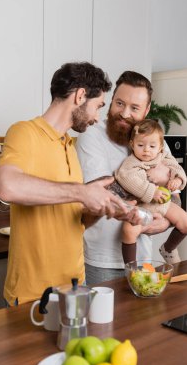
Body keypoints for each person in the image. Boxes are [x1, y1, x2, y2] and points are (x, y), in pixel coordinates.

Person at [0, 62, 140, 306]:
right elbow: (7, 187)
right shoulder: (24, 132)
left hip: (75, 286)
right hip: (34, 293)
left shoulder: (70, 146)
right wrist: (82, 192)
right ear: (80, 95)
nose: (97, 117)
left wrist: (102, 208)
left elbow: (75, 220)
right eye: (97, 106)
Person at [76, 71, 178, 285]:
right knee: (103, 319)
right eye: (119, 103)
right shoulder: (92, 135)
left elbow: (175, 198)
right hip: (102, 261)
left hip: (143, 256)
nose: (124, 113)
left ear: (147, 110)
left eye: (135, 108)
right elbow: (104, 196)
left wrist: (166, 221)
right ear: (111, 100)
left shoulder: (153, 140)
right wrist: (156, 180)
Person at [114, 119, 187, 265]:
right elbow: (126, 178)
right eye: (140, 145)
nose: (146, 150)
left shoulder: (162, 156)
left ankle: (168, 249)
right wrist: (152, 191)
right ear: (132, 144)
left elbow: (176, 167)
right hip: (143, 206)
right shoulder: (131, 163)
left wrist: (178, 180)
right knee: (129, 230)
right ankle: (131, 267)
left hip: (163, 203)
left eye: (152, 146)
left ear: (160, 147)